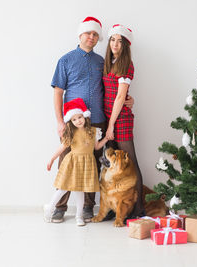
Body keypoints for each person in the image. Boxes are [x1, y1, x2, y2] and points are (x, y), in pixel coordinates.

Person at [50, 17, 134, 223]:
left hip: (97, 120)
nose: (92, 37)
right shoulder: (65, 60)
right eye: (88, 33)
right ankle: (59, 207)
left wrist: (129, 99)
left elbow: (114, 88)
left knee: (94, 164)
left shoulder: (101, 62)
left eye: (96, 34)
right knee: (67, 163)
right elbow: (58, 92)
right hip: (73, 121)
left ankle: (88, 206)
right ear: (80, 35)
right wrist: (61, 122)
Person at [44, 98, 109, 226]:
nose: (78, 121)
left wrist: (106, 138)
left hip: (87, 164)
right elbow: (62, 147)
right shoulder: (71, 132)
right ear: (71, 121)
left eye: (80, 117)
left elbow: (96, 147)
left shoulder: (93, 131)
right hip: (73, 163)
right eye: (74, 119)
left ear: (84, 116)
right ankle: (49, 210)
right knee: (62, 189)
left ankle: (79, 216)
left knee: (81, 191)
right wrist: (52, 159)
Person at [103, 24, 145, 218]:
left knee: (131, 164)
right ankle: (115, 207)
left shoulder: (126, 64)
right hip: (108, 116)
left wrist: (111, 126)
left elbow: (120, 98)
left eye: (120, 41)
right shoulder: (110, 61)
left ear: (126, 45)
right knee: (112, 165)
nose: (115, 44)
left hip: (120, 120)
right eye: (113, 40)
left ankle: (138, 210)